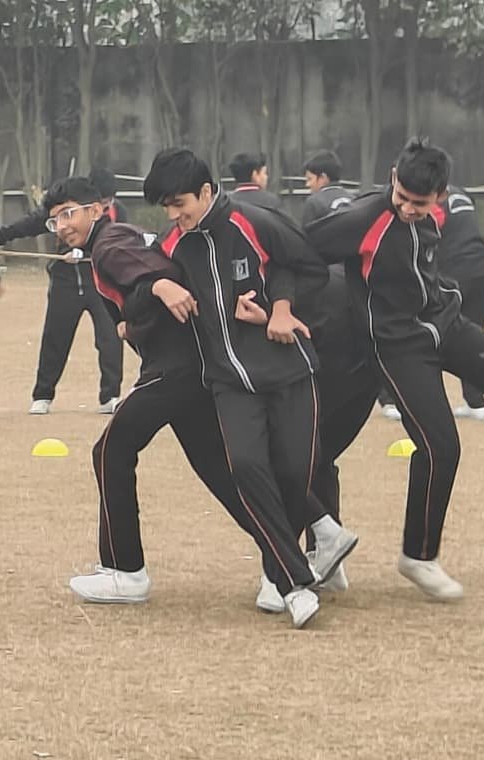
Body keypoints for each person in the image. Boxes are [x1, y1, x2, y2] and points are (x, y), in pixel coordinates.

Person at [144, 148, 357, 629]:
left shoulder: (255, 220)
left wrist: (281, 308)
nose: (174, 216)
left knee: (294, 471)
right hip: (229, 381)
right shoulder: (173, 244)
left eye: (180, 204)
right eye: (166, 208)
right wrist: (157, 288)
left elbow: (307, 266)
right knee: (245, 467)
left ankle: (317, 544)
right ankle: (294, 582)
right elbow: (141, 276)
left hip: (289, 370)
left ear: (205, 192)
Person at [307, 137, 484, 601]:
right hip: (397, 347)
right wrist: (285, 307)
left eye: (419, 203)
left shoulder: (435, 214)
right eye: (402, 196)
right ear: (393, 178)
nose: (408, 208)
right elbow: (298, 250)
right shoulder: (363, 219)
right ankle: (418, 556)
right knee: (440, 447)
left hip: (447, 324)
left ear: (440, 196)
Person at [19, 178, 255, 605]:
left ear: (96, 209)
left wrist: (160, 288)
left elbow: (155, 276)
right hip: (188, 367)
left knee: (110, 450)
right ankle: (296, 549)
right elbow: (147, 284)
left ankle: (124, 571)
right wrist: (133, 321)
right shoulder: (119, 238)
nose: (62, 226)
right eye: (54, 220)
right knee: (218, 468)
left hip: (174, 369)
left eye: (69, 214)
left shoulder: (108, 244)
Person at [0, 166, 126, 415]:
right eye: (103, 200)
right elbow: (25, 226)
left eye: (109, 202)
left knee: (109, 338)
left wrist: (89, 254)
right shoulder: (63, 213)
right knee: (56, 337)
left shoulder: (117, 213)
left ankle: (110, 395)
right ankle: (42, 395)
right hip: (65, 281)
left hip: (100, 283)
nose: (105, 207)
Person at [435, 184, 484, 419]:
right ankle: (476, 404)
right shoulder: (461, 193)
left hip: (453, 273)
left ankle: (425, 403)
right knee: (473, 335)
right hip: (480, 270)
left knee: (431, 335)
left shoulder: (429, 195)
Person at [301, 151, 354, 224]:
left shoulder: (313, 202)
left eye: (310, 179)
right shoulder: (354, 199)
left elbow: (307, 230)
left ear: (323, 177)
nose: (307, 184)